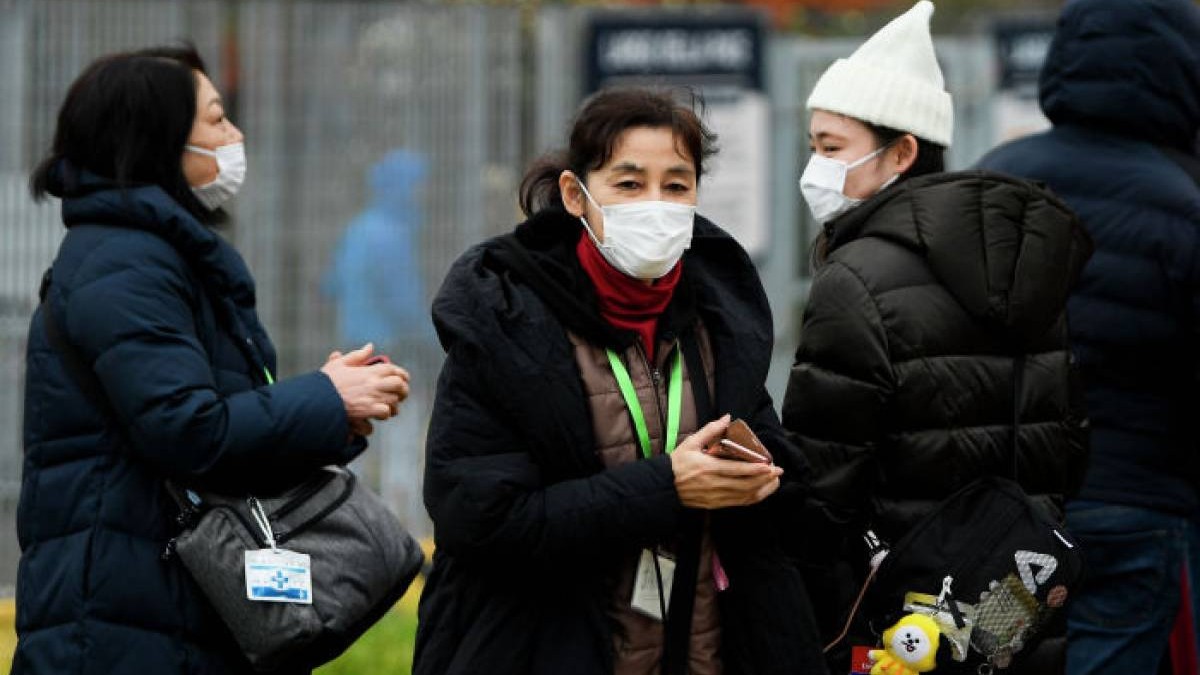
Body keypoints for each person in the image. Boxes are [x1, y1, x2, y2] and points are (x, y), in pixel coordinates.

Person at [13, 45, 410, 674]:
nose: (236, 137)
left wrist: (330, 409)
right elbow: (189, 430)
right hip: (126, 628)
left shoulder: (153, 254)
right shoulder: (126, 265)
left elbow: (203, 421)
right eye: (218, 120)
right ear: (156, 139)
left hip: (161, 612)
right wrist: (323, 396)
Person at [414, 87, 828, 675]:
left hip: (700, 650)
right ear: (575, 195)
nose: (655, 204)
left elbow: (771, 480)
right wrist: (668, 487)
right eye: (629, 184)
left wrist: (763, 478)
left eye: (676, 186)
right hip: (545, 648)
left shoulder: (716, 318)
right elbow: (480, 522)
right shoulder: (506, 323)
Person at [780, 2, 1092, 672]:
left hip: (900, 624)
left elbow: (821, 490)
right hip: (1015, 612)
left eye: (830, 147)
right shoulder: (1028, 267)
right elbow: (1069, 449)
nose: (814, 166)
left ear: (902, 151)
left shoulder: (856, 279)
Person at [976, 1, 1200, 673]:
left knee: (993, 656)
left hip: (1014, 518)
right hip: (1137, 510)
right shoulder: (1183, 202)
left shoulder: (993, 180)